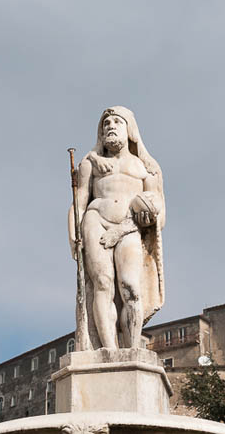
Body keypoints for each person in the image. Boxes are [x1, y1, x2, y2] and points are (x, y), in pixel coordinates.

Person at [69, 106, 165, 349]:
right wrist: (73, 236)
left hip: (129, 227)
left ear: (129, 129)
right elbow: (79, 202)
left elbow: (160, 212)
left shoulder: (147, 167)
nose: (110, 126)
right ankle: (108, 349)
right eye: (106, 123)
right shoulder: (90, 164)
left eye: (116, 122)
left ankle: (133, 350)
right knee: (102, 282)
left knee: (131, 287)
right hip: (96, 220)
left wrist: (148, 217)